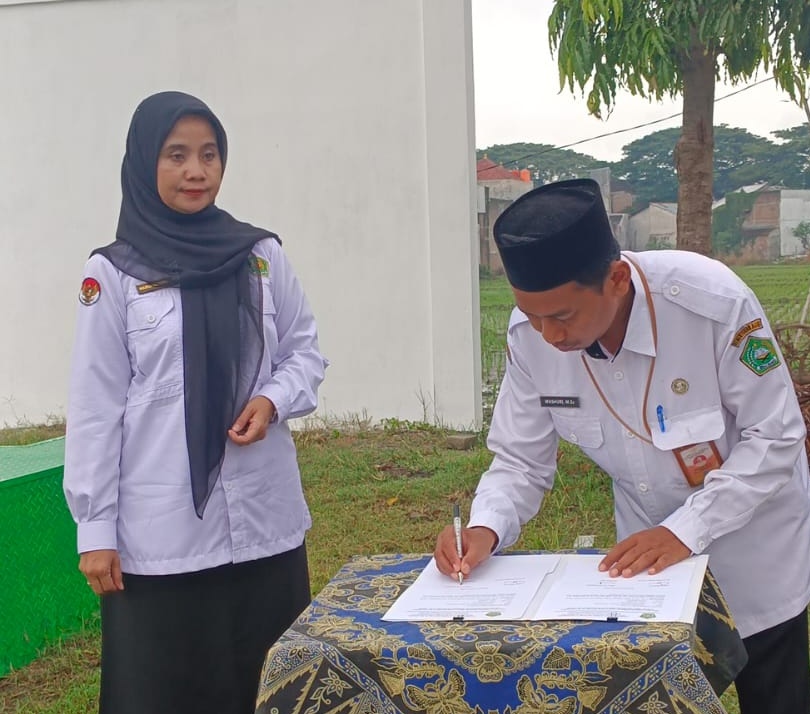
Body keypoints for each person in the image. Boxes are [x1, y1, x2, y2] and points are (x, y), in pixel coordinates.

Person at [434, 178, 810, 714]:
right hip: (645, 567)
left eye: (561, 316)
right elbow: (519, 460)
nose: (549, 336)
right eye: (532, 316)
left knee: (775, 697)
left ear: (615, 279)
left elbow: (776, 435)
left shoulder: (713, 304)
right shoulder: (530, 336)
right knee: (651, 700)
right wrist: (485, 527)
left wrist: (684, 530)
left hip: (756, 551)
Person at [63, 91, 327, 714]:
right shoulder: (113, 275)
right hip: (162, 541)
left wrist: (272, 399)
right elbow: (96, 407)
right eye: (176, 155)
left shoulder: (260, 255)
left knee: (271, 692)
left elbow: (305, 353)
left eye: (209, 154)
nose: (196, 171)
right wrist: (94, 529)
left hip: (263, 530)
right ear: (143, 163)